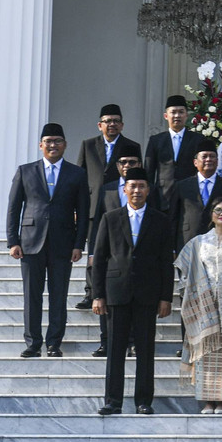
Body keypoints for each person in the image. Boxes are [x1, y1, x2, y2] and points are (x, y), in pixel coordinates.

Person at [92, 167, 174, 415]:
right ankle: (112, 401)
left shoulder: (161, 220)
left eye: (141, 186)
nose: (137, 190)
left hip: (148, 294)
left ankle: (143, 401)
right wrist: (97, 294)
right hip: (117, 291)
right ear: (124, 190)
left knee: (146, 350)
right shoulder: (111, 217)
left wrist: (165, 297)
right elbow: (100, 259)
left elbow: (165, 262)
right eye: (132, 186)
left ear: (148, 190)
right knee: (115, 349)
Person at [7, 122, 90, 358]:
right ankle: (33, 343)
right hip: (31, 243)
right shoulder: (25, 171)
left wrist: (78, 244)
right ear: (41, 145)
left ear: (65, 145)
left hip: (63, 243)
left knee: (58, 295)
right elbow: (14, 208)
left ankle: (54, 343)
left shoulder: (77, 173)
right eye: (48, 141)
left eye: (58, 141)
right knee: (31, 296)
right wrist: (13, 240)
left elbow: (83, 212)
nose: (53, 145)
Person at [174, 197, 222, 413]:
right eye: (218, 210)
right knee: (206, 355)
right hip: (204, 306)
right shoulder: (199, 242)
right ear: (211, 215)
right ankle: (208, 400)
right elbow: (184, 270)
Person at [75, 103, 138, 308]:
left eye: (116, 121)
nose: (112, 124)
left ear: (122, 125)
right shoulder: (88, 145)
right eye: (107, 121)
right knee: (94, 249)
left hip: (119, 204)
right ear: (99, 125)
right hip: (94, 206)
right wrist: (77, 207)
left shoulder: (131, 146)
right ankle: (90, 291)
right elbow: (80, 176)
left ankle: (118, 288)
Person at [87, 143, 143, 355]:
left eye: (132, 162)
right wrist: (92, 251)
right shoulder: (106, 189)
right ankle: (106, 341)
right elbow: (97, 223)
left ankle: (133, 342)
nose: (127, 166)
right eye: (123, 162)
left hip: (136, 256)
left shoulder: (147, 189)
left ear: (139, 163)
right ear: (117, 165)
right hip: (110, 255)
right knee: (105, 300)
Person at [172, 137, 222, 249]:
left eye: (212, 156)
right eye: (204, 156)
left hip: (219, 243)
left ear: (217, 162)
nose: (208, 159)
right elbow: (173, 217)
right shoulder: (182, 186)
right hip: (187, 241)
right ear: (195, 162)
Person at [144, 94, 205, 210]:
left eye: (181, 112)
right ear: (166, 116)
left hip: (190, 196)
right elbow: (149, 172)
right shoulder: (156, 140)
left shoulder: (198, 139)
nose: (177, 116)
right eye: (173, 112)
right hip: (162, 197)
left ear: (186, 115)